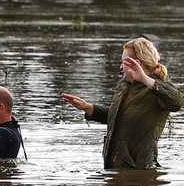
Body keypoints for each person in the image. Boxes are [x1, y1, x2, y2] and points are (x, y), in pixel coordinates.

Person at [61, 37, 183, 169]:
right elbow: (119, 117)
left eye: (122, 62)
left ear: (135, 63)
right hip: (116, 166)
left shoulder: (157, 89)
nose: (120, 66)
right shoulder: (124, 86)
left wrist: (144, 78)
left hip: (140, 170)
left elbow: (177, 102)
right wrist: (89, 108)